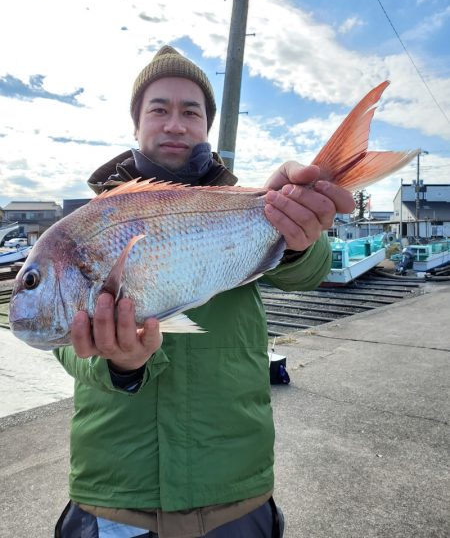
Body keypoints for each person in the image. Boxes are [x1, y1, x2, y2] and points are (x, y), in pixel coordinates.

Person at [54, 45, 355, 538]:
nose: (175, 123)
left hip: (234, 492)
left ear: (206, 127)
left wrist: (300, 240)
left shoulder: (244, 204)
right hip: (116, 496)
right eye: (159, 109)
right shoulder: (92, 224)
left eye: (190, 111)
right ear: (136, 125)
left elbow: (304, 274)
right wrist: (117, 363)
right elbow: (62, 342)